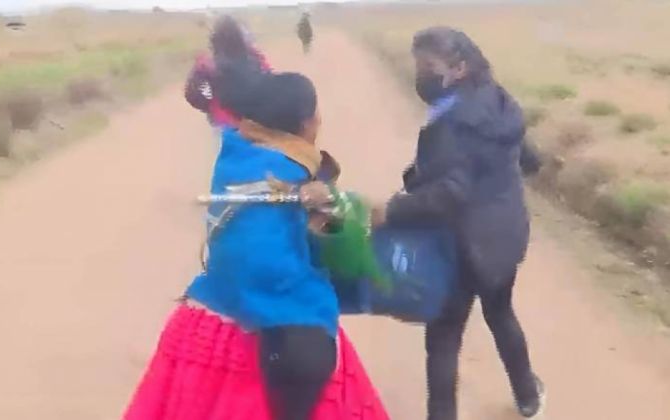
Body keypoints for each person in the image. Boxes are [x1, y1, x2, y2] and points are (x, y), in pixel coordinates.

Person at [123, 71, 389, 420]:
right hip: (283, 335)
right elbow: (280, 265)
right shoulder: (294, 173)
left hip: (209, 317)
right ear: (306, 123)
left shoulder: (237, 157)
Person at [373, 27, 545, 420]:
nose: (420, 74)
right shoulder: (499, 100)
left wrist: (393, 211)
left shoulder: (451, 121)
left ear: (460, 67)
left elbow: (450, 193)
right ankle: (528, 398)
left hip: (461, 244)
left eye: (427, 66)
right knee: (501, 313)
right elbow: (526, 157)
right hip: (504, 235)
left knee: (444, 336)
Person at [184, 15, 272, 128]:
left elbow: (192, 93)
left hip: (229, 122)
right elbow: (270, 83)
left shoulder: (207, 63)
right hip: (243, 122)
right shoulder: (254, 58)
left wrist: (210, 107)